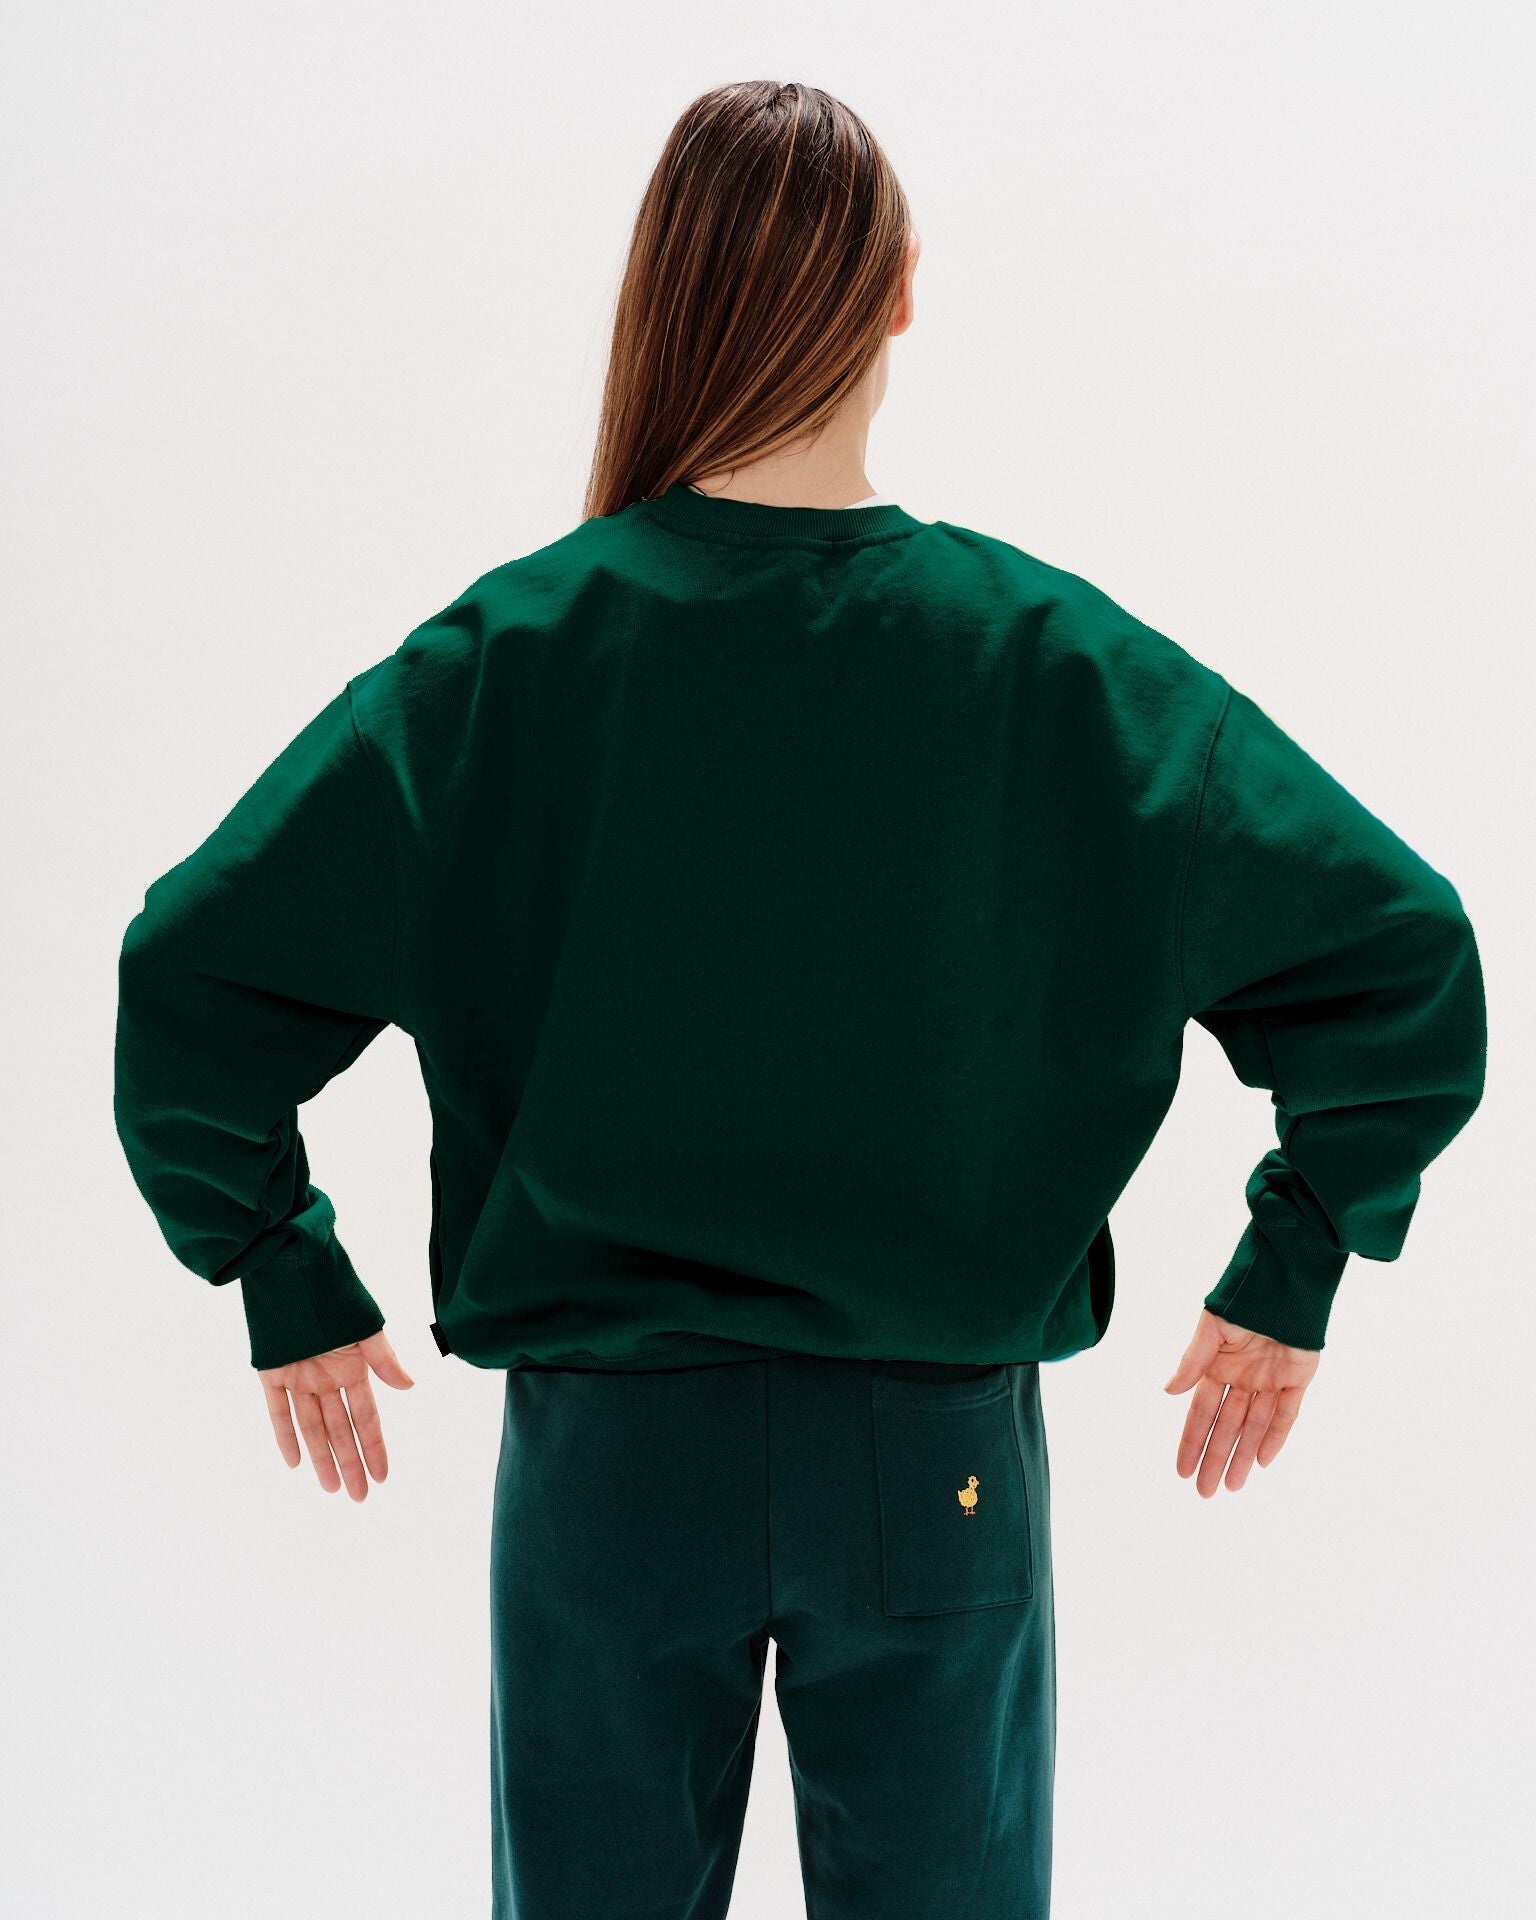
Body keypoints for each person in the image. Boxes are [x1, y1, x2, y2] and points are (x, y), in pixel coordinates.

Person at [112, 78, 1487, 1920]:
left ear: (659, 294)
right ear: (903, 292)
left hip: (610, 1471)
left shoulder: (511, 662)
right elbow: (1398, 947)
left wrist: (278, 1261)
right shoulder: (1048, 665)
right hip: (931, 1466)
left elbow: (195, 965)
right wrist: (1294, 1259)